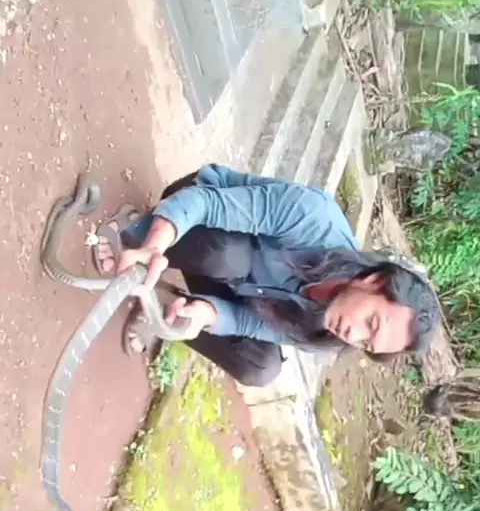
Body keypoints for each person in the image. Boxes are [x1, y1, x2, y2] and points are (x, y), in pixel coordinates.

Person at [92, 164, 441, 387]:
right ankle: (136, 232)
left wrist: (208, 315)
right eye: (371, 322)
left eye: (366, 343)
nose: (354, 335)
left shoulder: (330, 333)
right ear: (375, 281)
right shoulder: (314, 219)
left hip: (239, 287)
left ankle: (164, 311)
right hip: (201, 215)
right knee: (227, 257)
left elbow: (253, 323)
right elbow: (208, 204)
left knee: (261, 368)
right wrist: (154, 244)